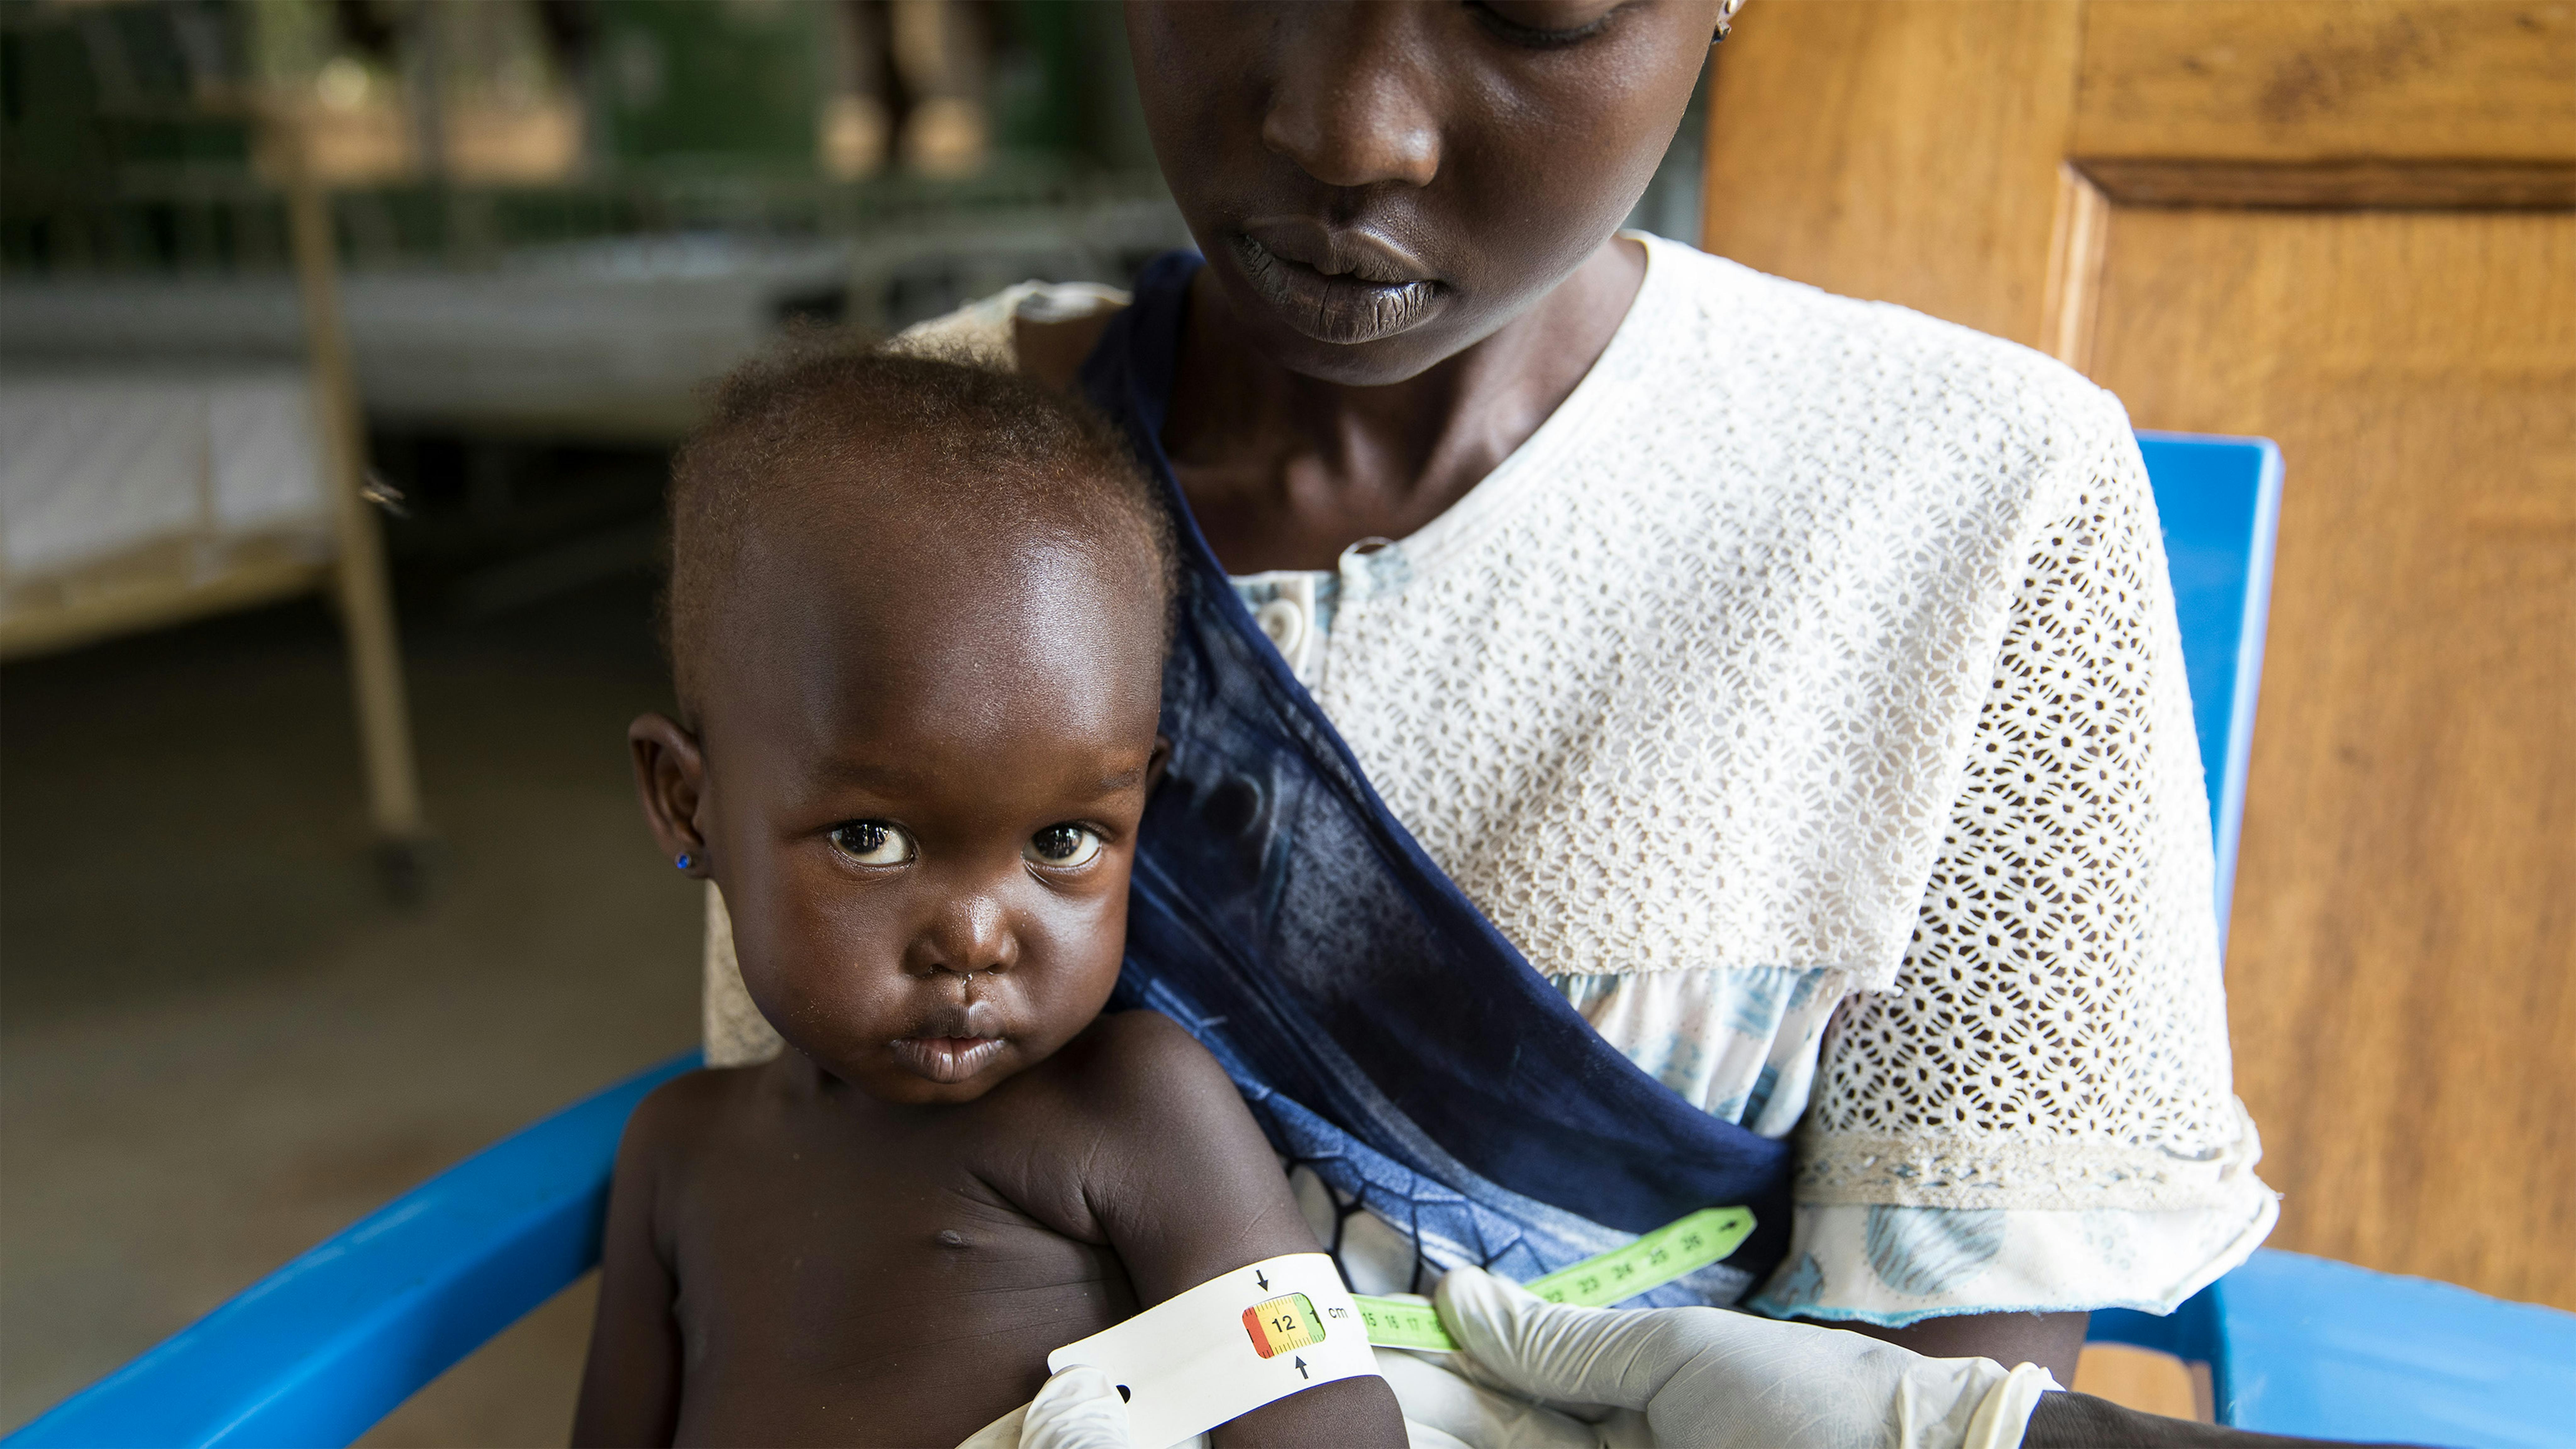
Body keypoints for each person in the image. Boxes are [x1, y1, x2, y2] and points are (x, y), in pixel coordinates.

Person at [702, 2, 2296, 1444]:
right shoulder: (887, 472)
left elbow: (1938, 1380)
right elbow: (809, 1181)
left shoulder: (1968, 498)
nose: (1348, 132)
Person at [570, 350, 1407, 1448]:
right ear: (690, 804)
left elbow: (1325, 1423)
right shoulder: (675, 1154)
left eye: (1063, 841)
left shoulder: (1136, 1111)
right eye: (871, 840)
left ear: (1140, 806)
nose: (974, 938)